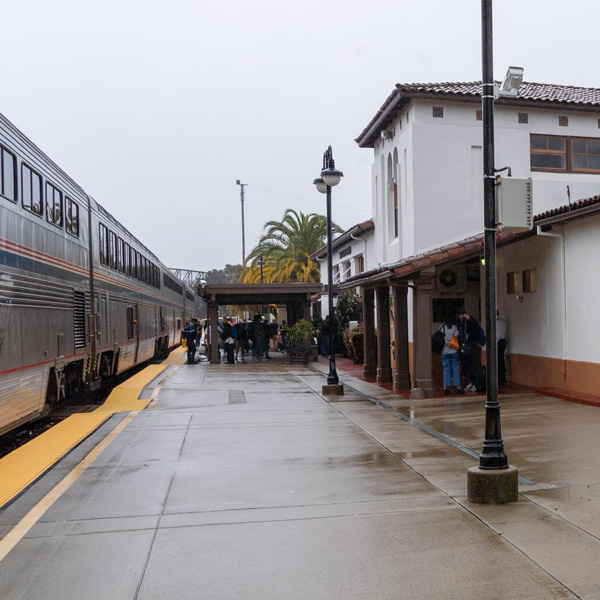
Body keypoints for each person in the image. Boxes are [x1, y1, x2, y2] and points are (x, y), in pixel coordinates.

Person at [458, 307, 480, 392]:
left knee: (472, 366)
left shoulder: (472, 322)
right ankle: (471, 382)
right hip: (465, 347)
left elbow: (475, 333)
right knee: (467, 366)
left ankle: (475, 383)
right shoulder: (463, 324)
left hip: (471, 347)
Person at [440, 313, 463, 395]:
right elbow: (457, 337)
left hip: (445, 351)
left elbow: (440, 337)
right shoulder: (455, 328)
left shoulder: (442, 328)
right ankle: (457, 386)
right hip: (454, 350)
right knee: (455, 368)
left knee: (446, 369)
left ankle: (446, 387)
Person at [497, 310, 508, 386]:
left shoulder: (495, 322)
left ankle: (500, 378)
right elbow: (505, 330)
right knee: (501, 359)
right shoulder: (503, 322)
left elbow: (497, 334)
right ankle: (503, 377)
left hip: (498, 341)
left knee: (498, 360)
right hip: (503, 341)